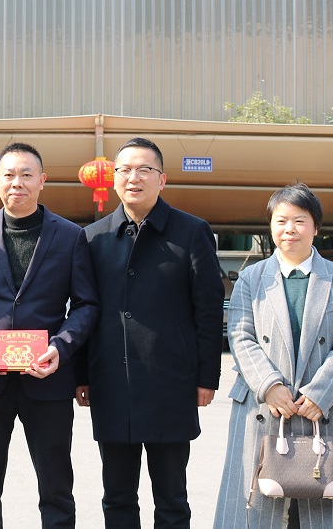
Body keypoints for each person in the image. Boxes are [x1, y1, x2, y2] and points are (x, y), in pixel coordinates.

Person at [0, 142, 98, 528]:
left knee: (57, 489)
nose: (17, 183)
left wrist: (61, 346)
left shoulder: (70, 235)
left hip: (48, 378)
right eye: (9, 175)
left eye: (27, 175)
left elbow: (86, 305)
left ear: (42, 181)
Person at [77, 136, 225, 528]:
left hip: (171, 384)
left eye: (145, 169)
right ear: (113, 179)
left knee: (172, 499)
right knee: (117, 497)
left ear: (162, 179)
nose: (134, 178)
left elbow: (209, 310)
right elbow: (82, 310)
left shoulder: (192, 232)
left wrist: (206, 377)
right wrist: (81, 375)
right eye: (124, 170)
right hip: (111, 383)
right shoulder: (93, 238)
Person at [214, 184, 333, 528]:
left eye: (299, 220)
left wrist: (320, 393)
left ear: (316, 227)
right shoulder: (251, 279)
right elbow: (241, 336)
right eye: (281, 221)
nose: (289, 229)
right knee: (254, 508)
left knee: (319, 507)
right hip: (265, 407)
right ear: (270, 227)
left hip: (325, 408)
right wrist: (269, 386)